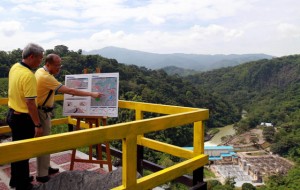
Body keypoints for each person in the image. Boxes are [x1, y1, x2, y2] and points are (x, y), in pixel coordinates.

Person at [35, 53, 102, 183]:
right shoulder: (46, 77)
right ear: (48, 64)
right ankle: (42, 174)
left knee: (46, 140)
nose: (59, 68)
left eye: (60, 65)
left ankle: (46, 166)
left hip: (43, 111)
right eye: (57, 65)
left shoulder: (39, 71)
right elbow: (71, 91)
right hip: (42, 113)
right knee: (43, 142)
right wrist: (91, 94)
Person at [6, 43, 44, 190]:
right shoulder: (29, 76)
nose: (40, 62)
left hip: (12, 114)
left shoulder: (15, 67)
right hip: (23, 118)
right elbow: (30, 103)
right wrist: (37, 125)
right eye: (39, 59)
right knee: (24, 152)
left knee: (18, 150)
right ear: (31, 56)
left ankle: (16, 179)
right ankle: (22, 185)